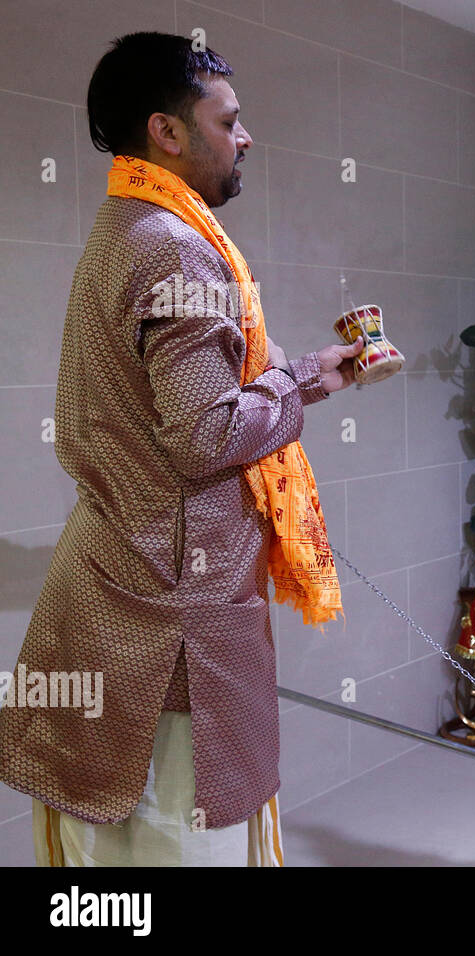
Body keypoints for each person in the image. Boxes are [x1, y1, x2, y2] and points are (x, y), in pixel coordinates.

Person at [0, 32, 366, 865]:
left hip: (121, 589)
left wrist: (309, 374)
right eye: (228, 120)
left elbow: (196, 398)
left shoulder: (130, 223)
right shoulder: (179, 247)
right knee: (170, 844)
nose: (246, 138)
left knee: (105, 855)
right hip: (169, 626)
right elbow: (206, 436)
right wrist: (288, 394)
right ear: (167, 132)